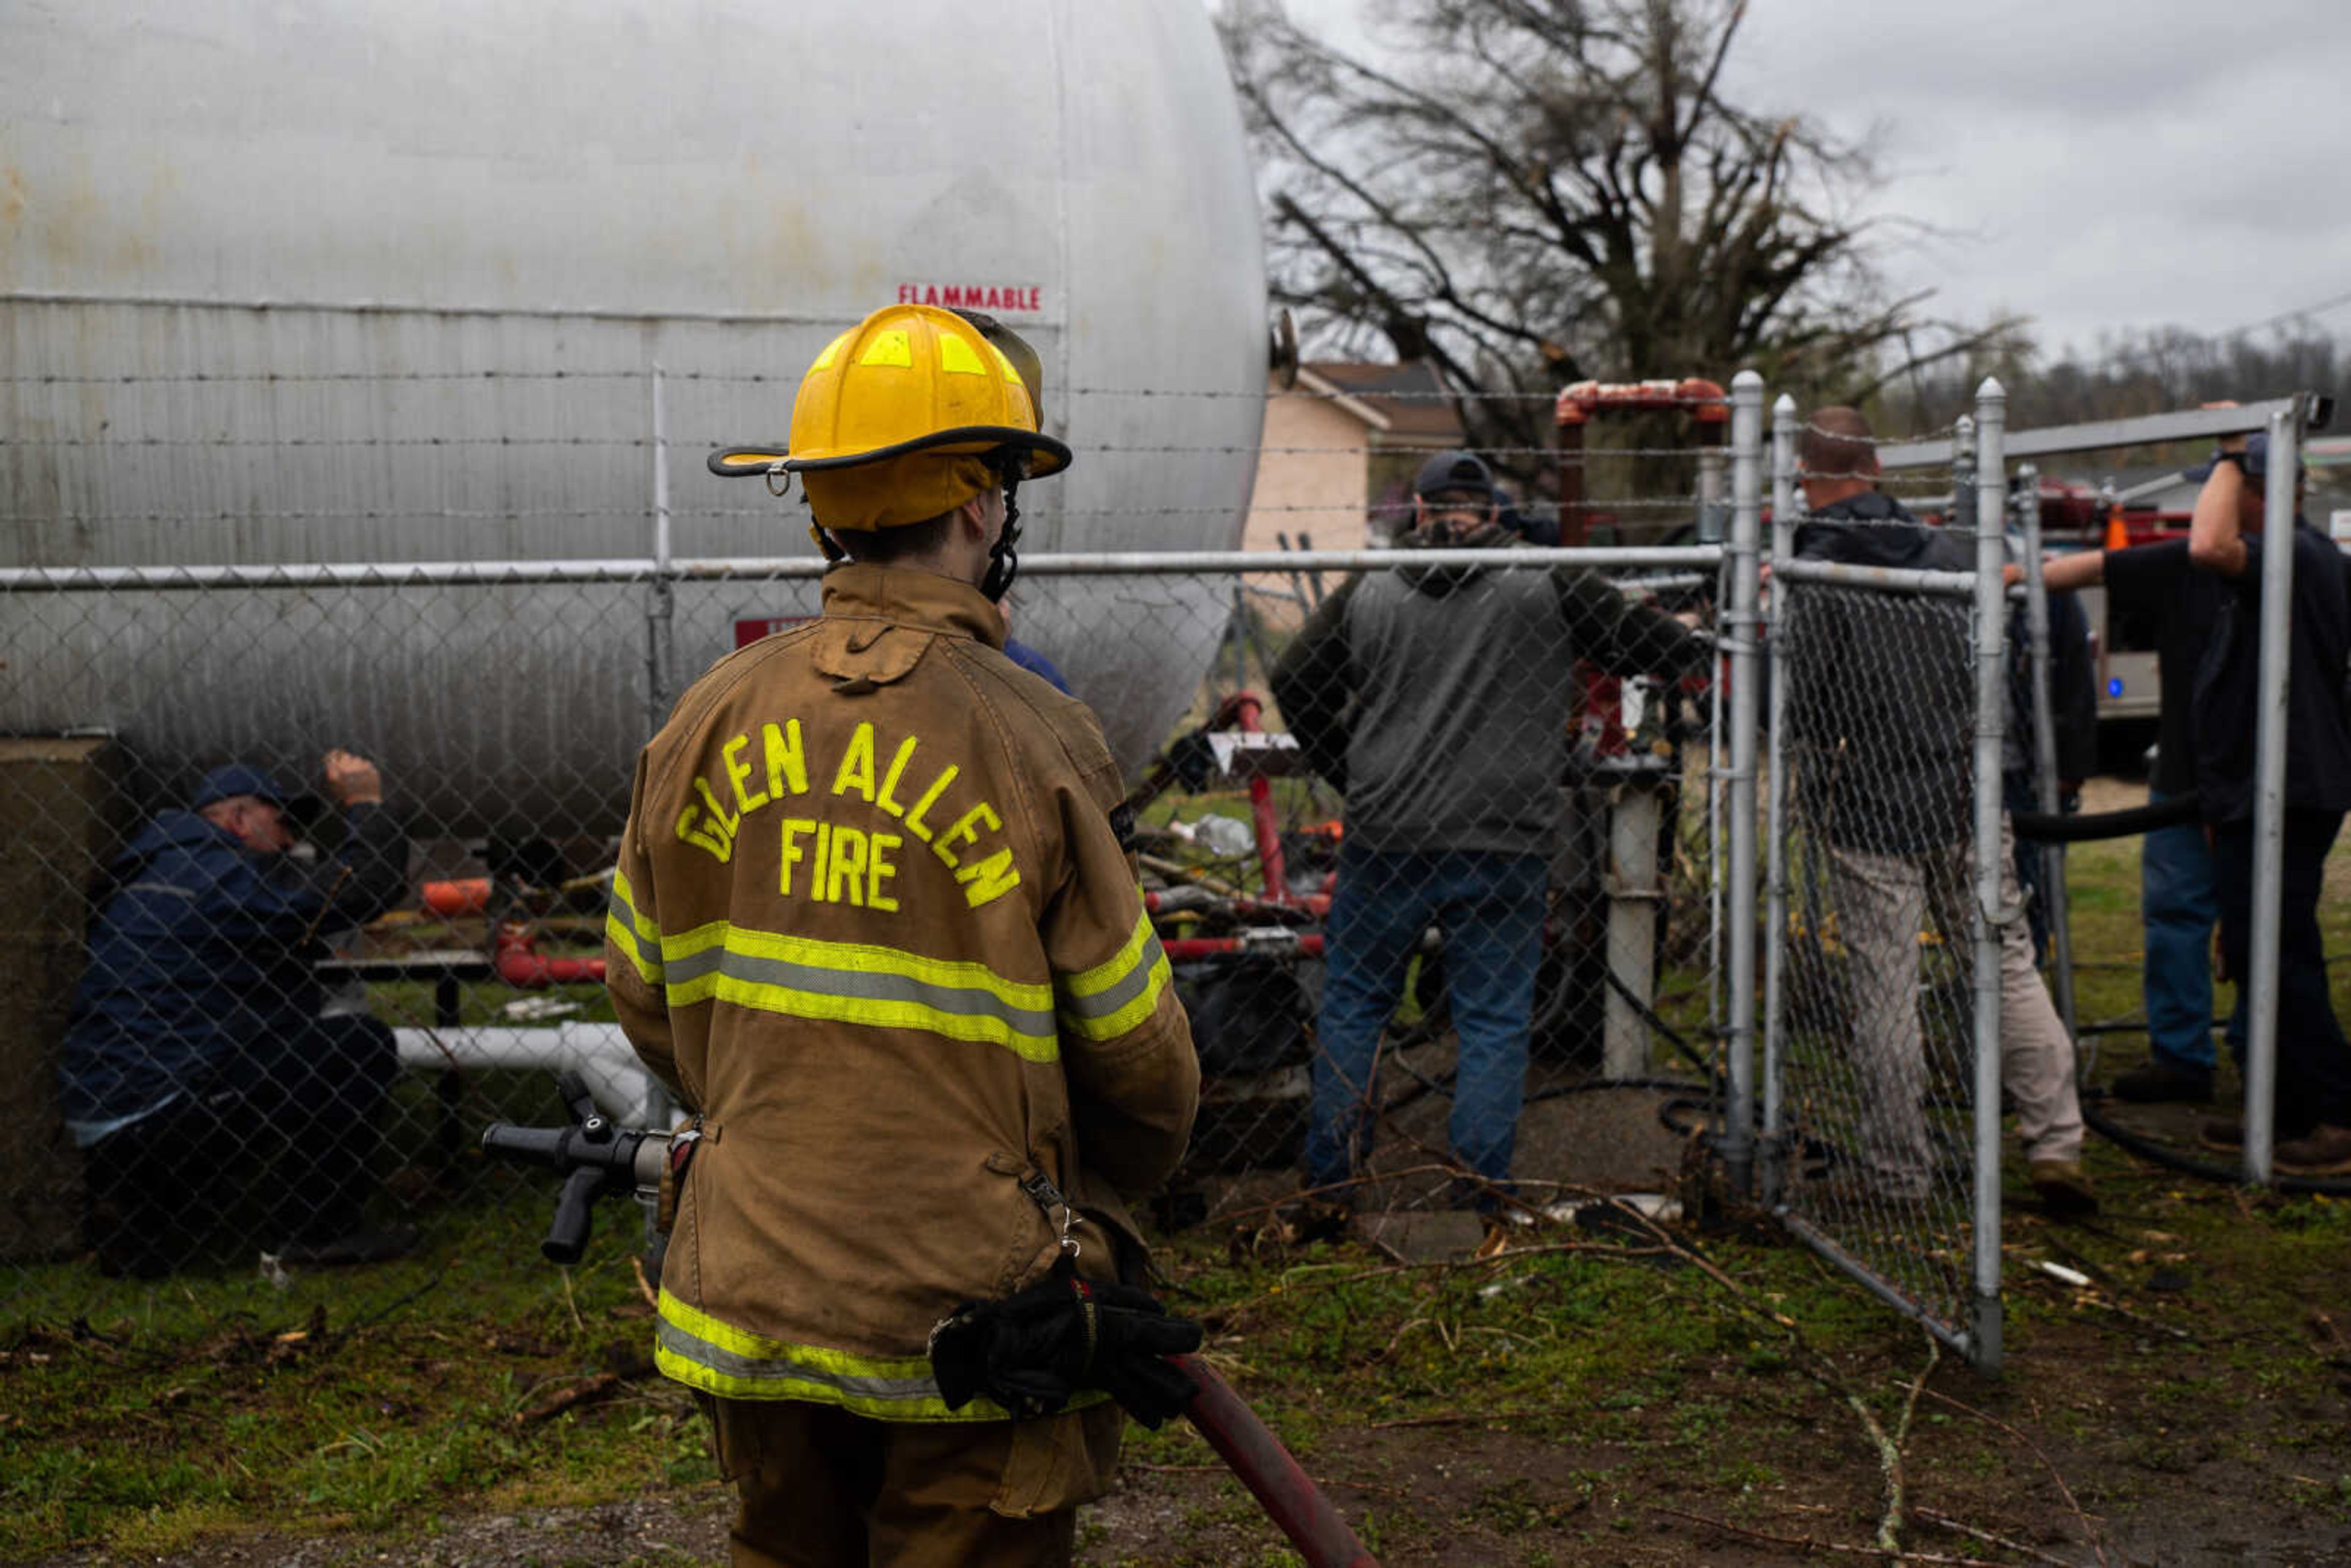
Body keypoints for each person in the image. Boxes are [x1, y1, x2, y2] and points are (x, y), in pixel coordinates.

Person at [627, 303, 1199, 1567]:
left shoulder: (704, 721)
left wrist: (775, 1116)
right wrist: (1097, 1195)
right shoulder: (1032, 737)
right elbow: (1139, 1061)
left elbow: (646, 992)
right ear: (986, 505)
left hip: (758, 1281)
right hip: (980, 1307)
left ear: (821, 506)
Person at [1270, 448, 1710, 1217]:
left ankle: (1333, 1177)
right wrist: (1693, 632)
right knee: (1494, 1017)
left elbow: (1294, 679)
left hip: (1388, 834)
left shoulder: (1369, 587)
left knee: (1356, 1003)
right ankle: (1480, 1185)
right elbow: (1651, 647)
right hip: (1504, 839)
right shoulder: (1545, 577)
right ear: (1496, 513)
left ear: (1419, 513)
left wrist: (1353, 772)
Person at [1785, 409, 2095, 1214]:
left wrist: (1815, 753)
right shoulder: (1949, 554)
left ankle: (1899, 1174)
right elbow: (1986, 675)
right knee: (2005, 967)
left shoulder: (1815, 569)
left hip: (1869, 805)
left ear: (1803, 475)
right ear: (1878, 465)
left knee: (1886, 991)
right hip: (1967, 789)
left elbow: (1804, 706)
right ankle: (2058, 1142)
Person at [59, 752, 414, 1275]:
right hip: (164, 1107)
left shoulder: (161, 866)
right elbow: (357, 891)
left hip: (111, 1116)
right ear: (240, 819)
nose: (291, 840)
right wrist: (365, 802)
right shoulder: (219, 874)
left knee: (289, 1028)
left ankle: (145, 1218)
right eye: (282, 822)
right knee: (358, 1046)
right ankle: (318, 1230)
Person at [2177, 427, 2351, 1173]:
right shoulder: (2288, 562)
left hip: (2291, 787)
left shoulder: (2300, 555)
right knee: (2259, 954)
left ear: (2258, 491)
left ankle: (2338, 1116)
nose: (2210, 499)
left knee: (2282, 954)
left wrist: (2228, 451)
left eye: (2224, 483)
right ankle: (2283, 1109)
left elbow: (2207, 545)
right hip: (2264, 787)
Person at [2041, 531, 2242, 1103]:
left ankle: (2267, 1054)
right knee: (2176, 916)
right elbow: (2084, 568)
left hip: (2262, 782)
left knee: (2262, 923)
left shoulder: (2305, 558)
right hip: (2182, 775)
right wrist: (2005, 574)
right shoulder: (2183, 560)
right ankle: (2182, 1060)